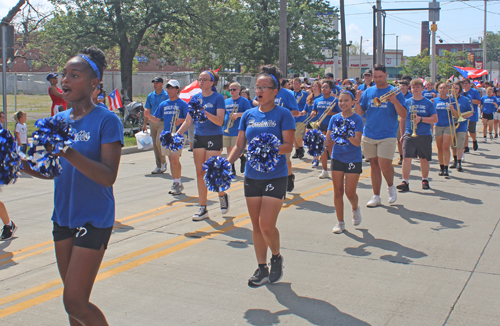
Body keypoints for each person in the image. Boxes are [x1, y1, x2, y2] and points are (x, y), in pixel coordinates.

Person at [22, 46, 123, 325]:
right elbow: (49, 170)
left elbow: (107, 176)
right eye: (64, 74)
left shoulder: (107, 120)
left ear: (94, 83)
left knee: (75, 300)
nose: (65, 80)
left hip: (94, 218)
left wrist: (67, 151)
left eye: (74, 75)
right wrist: (17, 162)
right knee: (73, 304)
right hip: (63, 217)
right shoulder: (57, 121)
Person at [227, 65, 295, 287]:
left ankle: (276, 257)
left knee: (266, 225)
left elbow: (288, 146)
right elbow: (239, 146)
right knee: (255, 225)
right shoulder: (248, 115)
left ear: (275, 91)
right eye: (257, 86)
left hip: (275, 175)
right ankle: (261, 267)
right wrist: (226, 164)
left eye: (265, 87)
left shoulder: (283, 114)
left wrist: (269, 148)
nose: (260, 90)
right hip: (252, 176)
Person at [176, 70, 229, 221]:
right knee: (200, 173)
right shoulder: (195, 98)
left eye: (205, 79)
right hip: (199, 137)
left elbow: (220, 121)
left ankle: (222, 195)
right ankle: (203, 208)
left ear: (212, 82)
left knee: (212, 172)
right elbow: (188, 121)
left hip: (214, 136)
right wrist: (177, 135)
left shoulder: (218, 98)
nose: (201, 82)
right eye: (200, 79)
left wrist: (204, 112)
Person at [354, 63, 407, 207]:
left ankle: (390, 187)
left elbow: (403, 114)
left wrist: (394, 101)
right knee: (374, 165)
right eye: (375, 77)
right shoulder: (368, 92)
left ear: (386, 75)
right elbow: (359, 113)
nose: (377, 79)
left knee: (385, 164)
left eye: (380, 77)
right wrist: (357, 102)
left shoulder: (395, 92)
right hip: (369, 133)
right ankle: (376, 195)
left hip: (387, 134)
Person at [253, 68, 299, 192]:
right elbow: (254, 101)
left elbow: (295, 111)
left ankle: (288, 177)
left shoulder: (287, 94)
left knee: (284, 159)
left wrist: (280, 114)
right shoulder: (261, 91)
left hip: (281, 133)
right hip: (263, 129)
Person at [324, 87, 363, 234]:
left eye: (346, 100)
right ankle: (340, 222)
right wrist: (316, 142)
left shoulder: (357, 119)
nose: (343, 103)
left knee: (350, 192)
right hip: (337, 157)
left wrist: (346, 134)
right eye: (340, 100)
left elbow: (357, 142)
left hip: (353, 158)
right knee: (338, 191)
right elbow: (328, 140)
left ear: (353, 102)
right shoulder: (334, 118)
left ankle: (355, 208)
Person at [144, 80, 188, 195]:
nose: (169, 90)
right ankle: (176, 181)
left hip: (178, 134)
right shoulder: (164, 104)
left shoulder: (182, 104)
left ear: (177, 89)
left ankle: (177, 183)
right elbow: (156, 119)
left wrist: (181, 120)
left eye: (172, 88)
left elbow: (190, 120)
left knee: (174, 159)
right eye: (168, 88)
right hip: (167, 134)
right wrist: (148, 116)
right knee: (171, 159)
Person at [397, 79, 438, 191]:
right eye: (413, 87)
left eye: (417, 87)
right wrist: (402, 134)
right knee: (406, 158)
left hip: (424, 134)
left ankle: (425, 179)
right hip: (409, 133)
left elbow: (435, 118)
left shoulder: (428, 103)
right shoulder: (407, 102)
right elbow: (403, 118)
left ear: (422, 89)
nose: (415, 89)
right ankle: (405, 181)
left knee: (423, 159)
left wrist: (421, 119)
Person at [311, 80, 341, 179]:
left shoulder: (335, 100)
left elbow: (340, 113)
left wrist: (331, 113)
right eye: (323, 87)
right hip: (321, 125)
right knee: (322, 149)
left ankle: (335, 169)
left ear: (331, 90)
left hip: (331, 126)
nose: (324, 89)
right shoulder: (317, 100)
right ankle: (324, 170)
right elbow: (315, 109)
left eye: (326, 87)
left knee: (331, 149)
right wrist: (313, 113)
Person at [222, 81, 250, 174]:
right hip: (227, 128)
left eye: (234, 89)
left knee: (236, 149)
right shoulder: (226, 101)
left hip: (237, 129)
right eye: (230, 90)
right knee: (229, 148)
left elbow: (249, 113)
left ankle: (242, 158)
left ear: (239, 90)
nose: (232, 91)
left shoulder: (243, 100)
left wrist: (238, 114)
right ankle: (232, 168)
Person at [143, 77, 169, 174]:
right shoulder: (150, 96)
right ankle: (158, 165)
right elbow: (147, 110)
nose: (155, 85)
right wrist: (145, 124)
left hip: (162, 122)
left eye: (157, 83)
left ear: (162, 84)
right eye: (154, 83)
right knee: (155, 144)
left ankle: (163, 162)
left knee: (159, 141)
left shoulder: (166, 95)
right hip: (152, 121)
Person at [449, 82, 473, 172]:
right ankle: (454, 161)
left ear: (460, 90)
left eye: (456, 88)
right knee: (453, 144)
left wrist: (462, 117)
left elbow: (470, 112)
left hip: (461, 125)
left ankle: (459, 162)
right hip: (451, 124)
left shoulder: (465, 99)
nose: (454, 90)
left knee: (460, 144)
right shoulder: (449, 99)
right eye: (453, 88)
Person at [434, 82, 454, 176]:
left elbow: (457, 115)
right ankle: (441, 167)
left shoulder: (451, 100)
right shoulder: (434, 100)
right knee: (439, 148)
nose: (442, 89)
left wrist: (453, 109)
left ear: (447, 89)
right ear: (438, 90)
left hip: (448, 125)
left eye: (444, 88)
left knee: (446, 146)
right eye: (440, 88)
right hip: (438, 125)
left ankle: (446, 167)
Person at [305, 80, 323, 167]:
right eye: (313, 86)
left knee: (316, 141)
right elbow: (305, 110)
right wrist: (300, 113)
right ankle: (314, 156)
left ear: (320, 88)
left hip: (318, 122)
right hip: (310, 122)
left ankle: (316, 158)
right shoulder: (310, 98)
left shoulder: (322, 98)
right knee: (310, 141)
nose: (314, 88)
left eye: (316, 86)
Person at [462, 78, 481, 151]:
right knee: (464, 130)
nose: (465, 85)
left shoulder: (474, 91)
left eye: (466, 83)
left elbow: (479, 101)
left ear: (469, 84)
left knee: (471, 131)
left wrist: (469, 101)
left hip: (472, 114)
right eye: (463, 83)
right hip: (464, 114)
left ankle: (474, 140)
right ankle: (466, 146)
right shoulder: (461, 92)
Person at [291, 77, 309, 159]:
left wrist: (303, 112)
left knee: (298, 133)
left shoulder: (304, 94)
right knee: (293, 134)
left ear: (300, 84)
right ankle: (297, 150)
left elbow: (308, 104)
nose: (294, 85)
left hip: (301, 116)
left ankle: (301, 148)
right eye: (293, 84)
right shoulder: (290, 93)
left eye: (296, 84)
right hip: (293, 116)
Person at [396, 81, 413, 165]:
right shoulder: (396, 96)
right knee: (399, 139)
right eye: (400, 85)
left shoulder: (411, 96)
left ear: (407, 87)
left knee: (408, 139)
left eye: (403, 85)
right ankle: (401, 156)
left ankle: (408, 155)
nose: (402, 87)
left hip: (408, 119)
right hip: (398, 119)